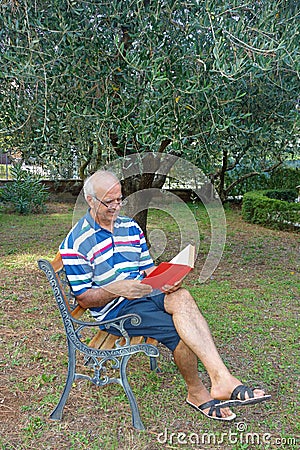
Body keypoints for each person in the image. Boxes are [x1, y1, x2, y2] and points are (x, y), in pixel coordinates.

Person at [60, 170, 271, 421]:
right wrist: (115, 289)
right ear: (90, 200)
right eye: (110, 201)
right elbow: (83, 298)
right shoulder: (75, 242)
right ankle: (197, 392)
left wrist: (168, 279)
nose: (117, 206)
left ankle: (222, 378)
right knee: (179, 330)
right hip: (116, 311)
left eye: (120, 199)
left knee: (182, 296)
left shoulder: (129, 227)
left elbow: (149, 270)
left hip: (145, 292)